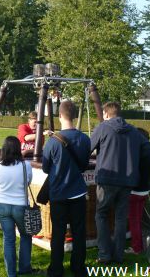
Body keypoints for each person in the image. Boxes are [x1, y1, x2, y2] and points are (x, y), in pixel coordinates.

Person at [90, 101, 147, 264]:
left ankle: (104, 254)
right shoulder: (134, 132)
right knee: (121, 218)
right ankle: (118, 255)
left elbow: (88, 147)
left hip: (107, 179)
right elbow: (144, 149)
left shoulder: (103, 127)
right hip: (128, 180)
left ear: (106, 114)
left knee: (101, 214)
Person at [42, 100, 91, 277]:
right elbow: (84, 165)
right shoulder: (85, 139)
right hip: (77, 192)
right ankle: (78, 267)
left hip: (58, 193)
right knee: (79, 232)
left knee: (58, 233)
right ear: (76, 115)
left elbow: (46, 168)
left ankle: (56, 269)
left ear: (60, 115)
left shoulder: (52, 142)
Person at [0, 136, 38, 276]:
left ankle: (11, 273)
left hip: (1, 205)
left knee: (9, 239)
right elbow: (28, 182)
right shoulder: (26, 166)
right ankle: (24, 267)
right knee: (25, 236)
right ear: (19, 149)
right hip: (20, 206)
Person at [125, 128, 150, 255]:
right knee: (142, 219)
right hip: (147, 188)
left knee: (134, 220)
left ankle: (137, 247)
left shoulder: (138, 151)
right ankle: (144, 243)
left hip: (137, 190)